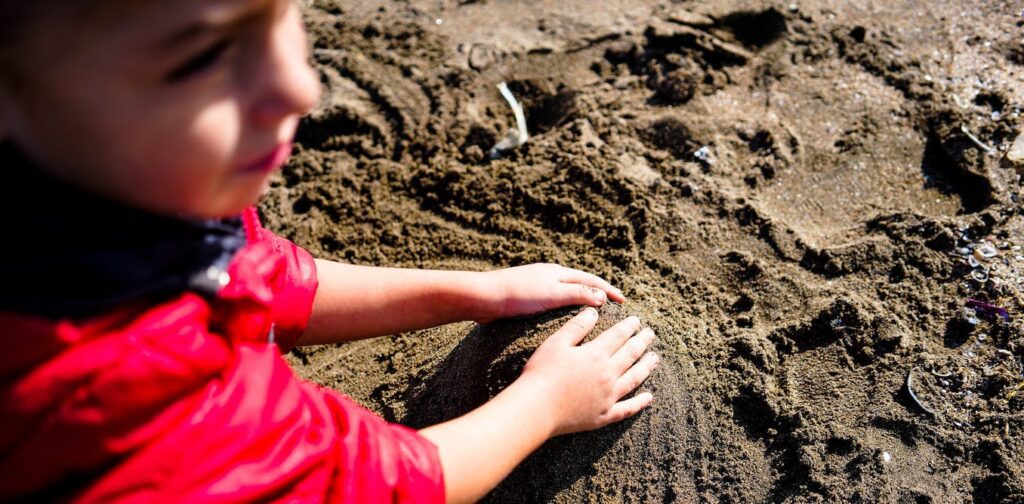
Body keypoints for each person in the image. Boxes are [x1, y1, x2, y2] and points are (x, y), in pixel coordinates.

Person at [0, 0, 659, 501]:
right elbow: (387, 485)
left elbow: (259, 277)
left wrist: (470, 292)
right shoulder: (127, 394)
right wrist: (544, 403)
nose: (299, 88)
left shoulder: (117, 196)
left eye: (284, 13)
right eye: (200, 58)